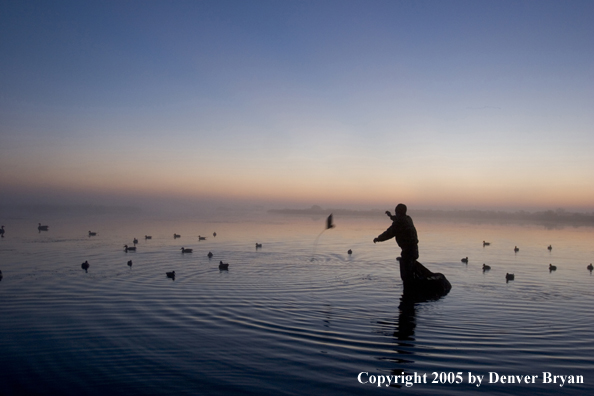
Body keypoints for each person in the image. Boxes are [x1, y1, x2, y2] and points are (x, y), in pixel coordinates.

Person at [373, 203, 419, 284]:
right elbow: (398, 219)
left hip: (408, 251)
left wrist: (378, 238)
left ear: (398, 212)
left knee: (407, 276)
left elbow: (389, 233)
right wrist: (390, 216)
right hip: (415, 250)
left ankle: (410, 291)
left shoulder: (399, 223)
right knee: (411, 271)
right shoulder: (408, 219)